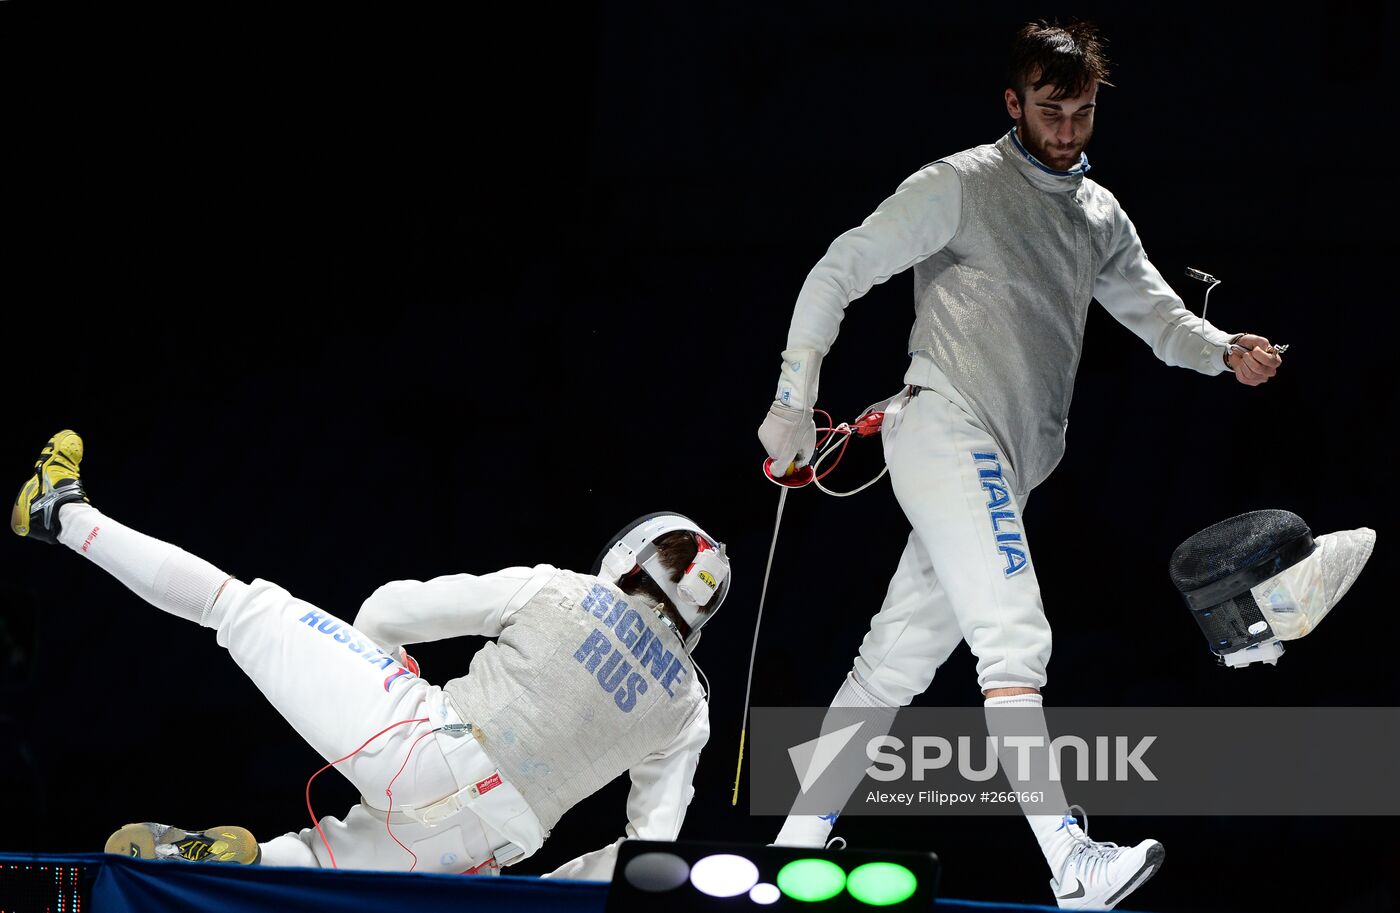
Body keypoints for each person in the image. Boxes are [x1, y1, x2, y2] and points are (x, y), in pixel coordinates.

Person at [756, 19, 1282, 910]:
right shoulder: (958, 185)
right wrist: (790, 400)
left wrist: (1222, 348)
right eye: (1050, 110)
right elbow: (837, 269)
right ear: (1013, 102)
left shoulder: (1096, 214)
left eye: (1081, 113)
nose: (1067, 131)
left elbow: (1158, 316)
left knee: (892, 665)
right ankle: (1068, 858)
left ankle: (790, 849)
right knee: (1015, 636)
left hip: (1004, 462)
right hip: (945, 429)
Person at [12, 430, 730, 881]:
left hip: (419, 741)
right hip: (483, 848)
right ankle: (215, 862)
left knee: (236, 606)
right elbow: (646, 851)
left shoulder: (563, 591)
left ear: (628, 559)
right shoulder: (688, 709)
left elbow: (385, 610)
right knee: (321, 862)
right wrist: (540, 894)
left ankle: (60, 513)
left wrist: (390, 668)